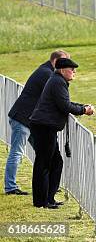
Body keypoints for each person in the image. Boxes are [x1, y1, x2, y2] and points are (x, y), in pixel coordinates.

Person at [29, 58, 94, 209]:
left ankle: (49, 198)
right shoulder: (57, 82)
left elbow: (65, 102)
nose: (74, 72)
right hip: (44, 127)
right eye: (72, 69)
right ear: (62, 70)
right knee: (43, 164)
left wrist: (82, 106)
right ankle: (41, 201)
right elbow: (65, 106)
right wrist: (84, 110)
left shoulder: (58, 81)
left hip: (46, 126)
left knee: (56, 163)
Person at [4, 50, 69, 196]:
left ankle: (49, 186)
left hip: (31, 121)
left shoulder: (47, 71)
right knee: (17, 152)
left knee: (45, 154)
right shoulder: (47, 74)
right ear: (55, 61)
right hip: (22, 118)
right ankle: (10, 187)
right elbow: (58, 98)